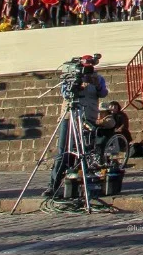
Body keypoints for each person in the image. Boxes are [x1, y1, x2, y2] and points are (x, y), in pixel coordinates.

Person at [45, 55, 109, 197]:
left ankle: (83, 185)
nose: (87, 73)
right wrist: (77, 86)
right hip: (70, 116)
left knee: (85, 152)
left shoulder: (98, 78)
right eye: (85, 69)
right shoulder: (70, 77)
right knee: (63, 152)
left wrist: (96, 84)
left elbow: (104, 93)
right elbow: (66, 94)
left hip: (88, 116)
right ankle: (53, 184)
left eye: (90, 69)